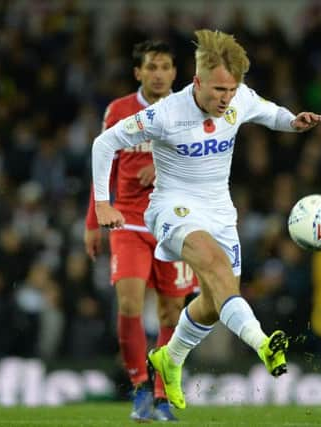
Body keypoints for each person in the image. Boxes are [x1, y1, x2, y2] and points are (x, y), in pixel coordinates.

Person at [91, 29, 321, 410]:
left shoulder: (240, 98)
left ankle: (170, 359)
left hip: (219, 212)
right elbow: (105, 144)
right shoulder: (165, 113)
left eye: (231, 91)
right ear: (197, 82)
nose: (225, 99)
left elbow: (271, 114)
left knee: (215, 302)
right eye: (218, 91)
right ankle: (264, 344)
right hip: (172, 209)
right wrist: (103, 202)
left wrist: (293, 122)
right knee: (214, 265)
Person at [84, 40, 197, 422]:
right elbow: (104, 167)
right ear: (138, 73)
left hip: (176, 223)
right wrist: (92, 221)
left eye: (165, 67)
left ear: (175, 73)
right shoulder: (119, 111)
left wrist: (165, 169)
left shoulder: (190, 110)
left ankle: (164, 396)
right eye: (152, 67)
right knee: (130, 304)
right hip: (128, 222)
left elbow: (207, 165)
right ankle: (139, 389)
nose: (159, 74)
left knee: (171, 313)